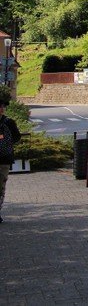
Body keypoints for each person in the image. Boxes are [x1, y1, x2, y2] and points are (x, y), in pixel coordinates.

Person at [0, 93, 23, 223]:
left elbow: (17, 137)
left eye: (3, 106)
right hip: (5, 158)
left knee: (0, 187)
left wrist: (5, 142)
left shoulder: (9, 122)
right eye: (0, 107)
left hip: (4, 160)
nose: (2, 109)